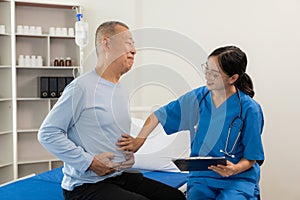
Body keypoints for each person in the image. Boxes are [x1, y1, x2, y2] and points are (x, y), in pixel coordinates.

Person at [38, 21, 186, 200]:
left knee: (175, 197)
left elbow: (104, 133)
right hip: (85, 186)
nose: (134, 50)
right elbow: (48, 133)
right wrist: (90, 162)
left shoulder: (121, 88)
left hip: (118, 176)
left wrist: (126, 154)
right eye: (128, 43)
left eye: (134, 45)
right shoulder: (81, 88)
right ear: (106, 43)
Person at [118, 46, 265, 200]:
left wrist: (234, 169)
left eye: (214, 74)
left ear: (232, 78)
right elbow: (158, 115)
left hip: (237, 180)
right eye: (207, 70)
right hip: (202, 179)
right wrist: (138, 141)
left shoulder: (250, 109)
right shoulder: (198, 98)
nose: (208, 77)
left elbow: (251, 157)